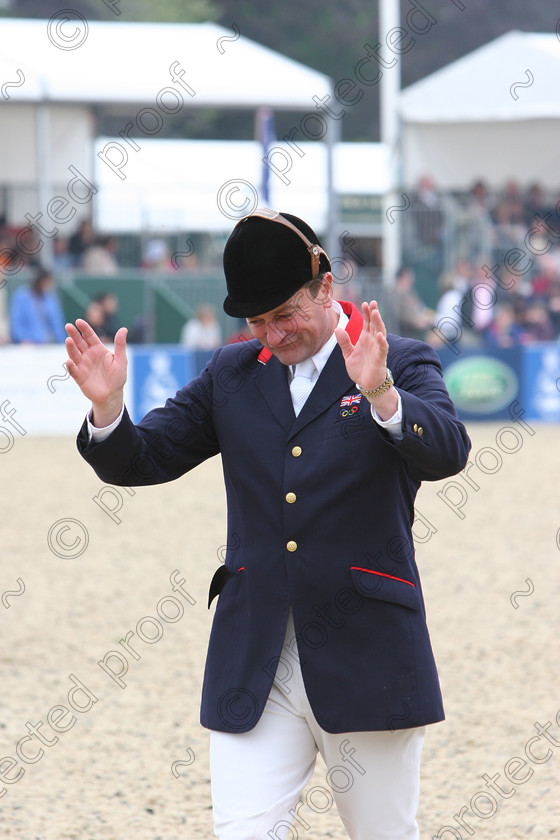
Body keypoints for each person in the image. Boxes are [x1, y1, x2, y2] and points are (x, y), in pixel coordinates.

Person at [65, 209, 471, 840]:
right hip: (255, 656)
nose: (273, 334)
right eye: (257, 321)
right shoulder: (231, 373)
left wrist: (383, 393)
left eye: (285, 315)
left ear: (325, 288)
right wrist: (109, 409)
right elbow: (146, 459)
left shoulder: (400, 359)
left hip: (367, 652)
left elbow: (448, 451)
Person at [10, 268, 66, 344]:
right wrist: (23, 339)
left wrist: (62, 343)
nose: (49, 285)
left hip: (47, 345)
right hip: (26, 346)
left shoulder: (50, 298)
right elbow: (16, 323)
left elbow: (57, 323)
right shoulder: (22, 296)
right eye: (47, 282)